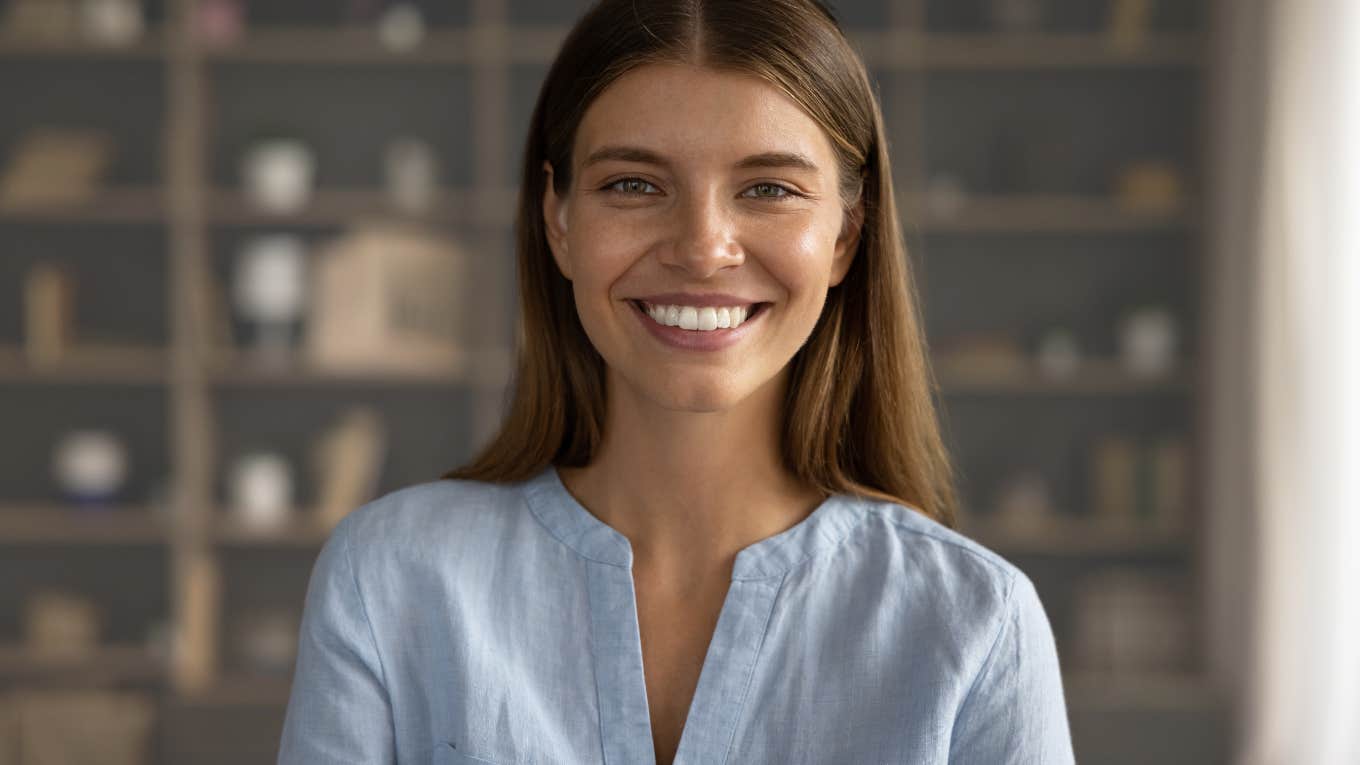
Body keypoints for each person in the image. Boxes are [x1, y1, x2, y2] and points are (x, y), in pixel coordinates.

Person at [277, 1, 1075, 763]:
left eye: (768, 188)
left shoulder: (976, 623)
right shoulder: (387, 578)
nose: (702, 248)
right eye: (633, 184)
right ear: (559, 220)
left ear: (845, 234)